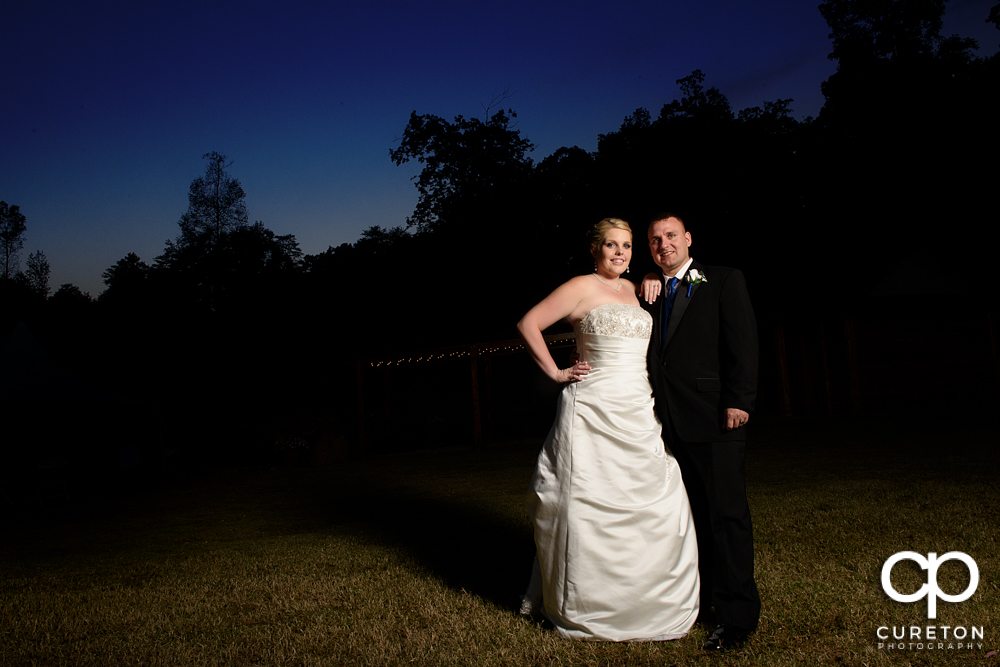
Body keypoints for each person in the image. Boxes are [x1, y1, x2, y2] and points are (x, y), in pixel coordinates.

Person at [516, 218, 700, 641]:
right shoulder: (579, 286)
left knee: (653, 497)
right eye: (611, 245)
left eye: (628, 246)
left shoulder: (638, 288)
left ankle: (647, 597)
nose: (620, 253)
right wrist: (558, 373)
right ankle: (586, 601)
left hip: (637, 406)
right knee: (587, 500)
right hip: (593, 408)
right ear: (595, 250)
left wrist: (652, 275)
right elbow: (529, 324)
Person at [639, 212, 761, 651]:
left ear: (688, 238)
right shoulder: (650, 290)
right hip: (667, 423)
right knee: (689, 519)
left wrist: (739, 400)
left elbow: (742, 343)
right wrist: (649, 277)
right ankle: (700, 599)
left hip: (715, 416)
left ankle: (737, 618)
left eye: (671, 236)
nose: (664, 244)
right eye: (655, 240)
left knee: (727, 517)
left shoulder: (723, 279)